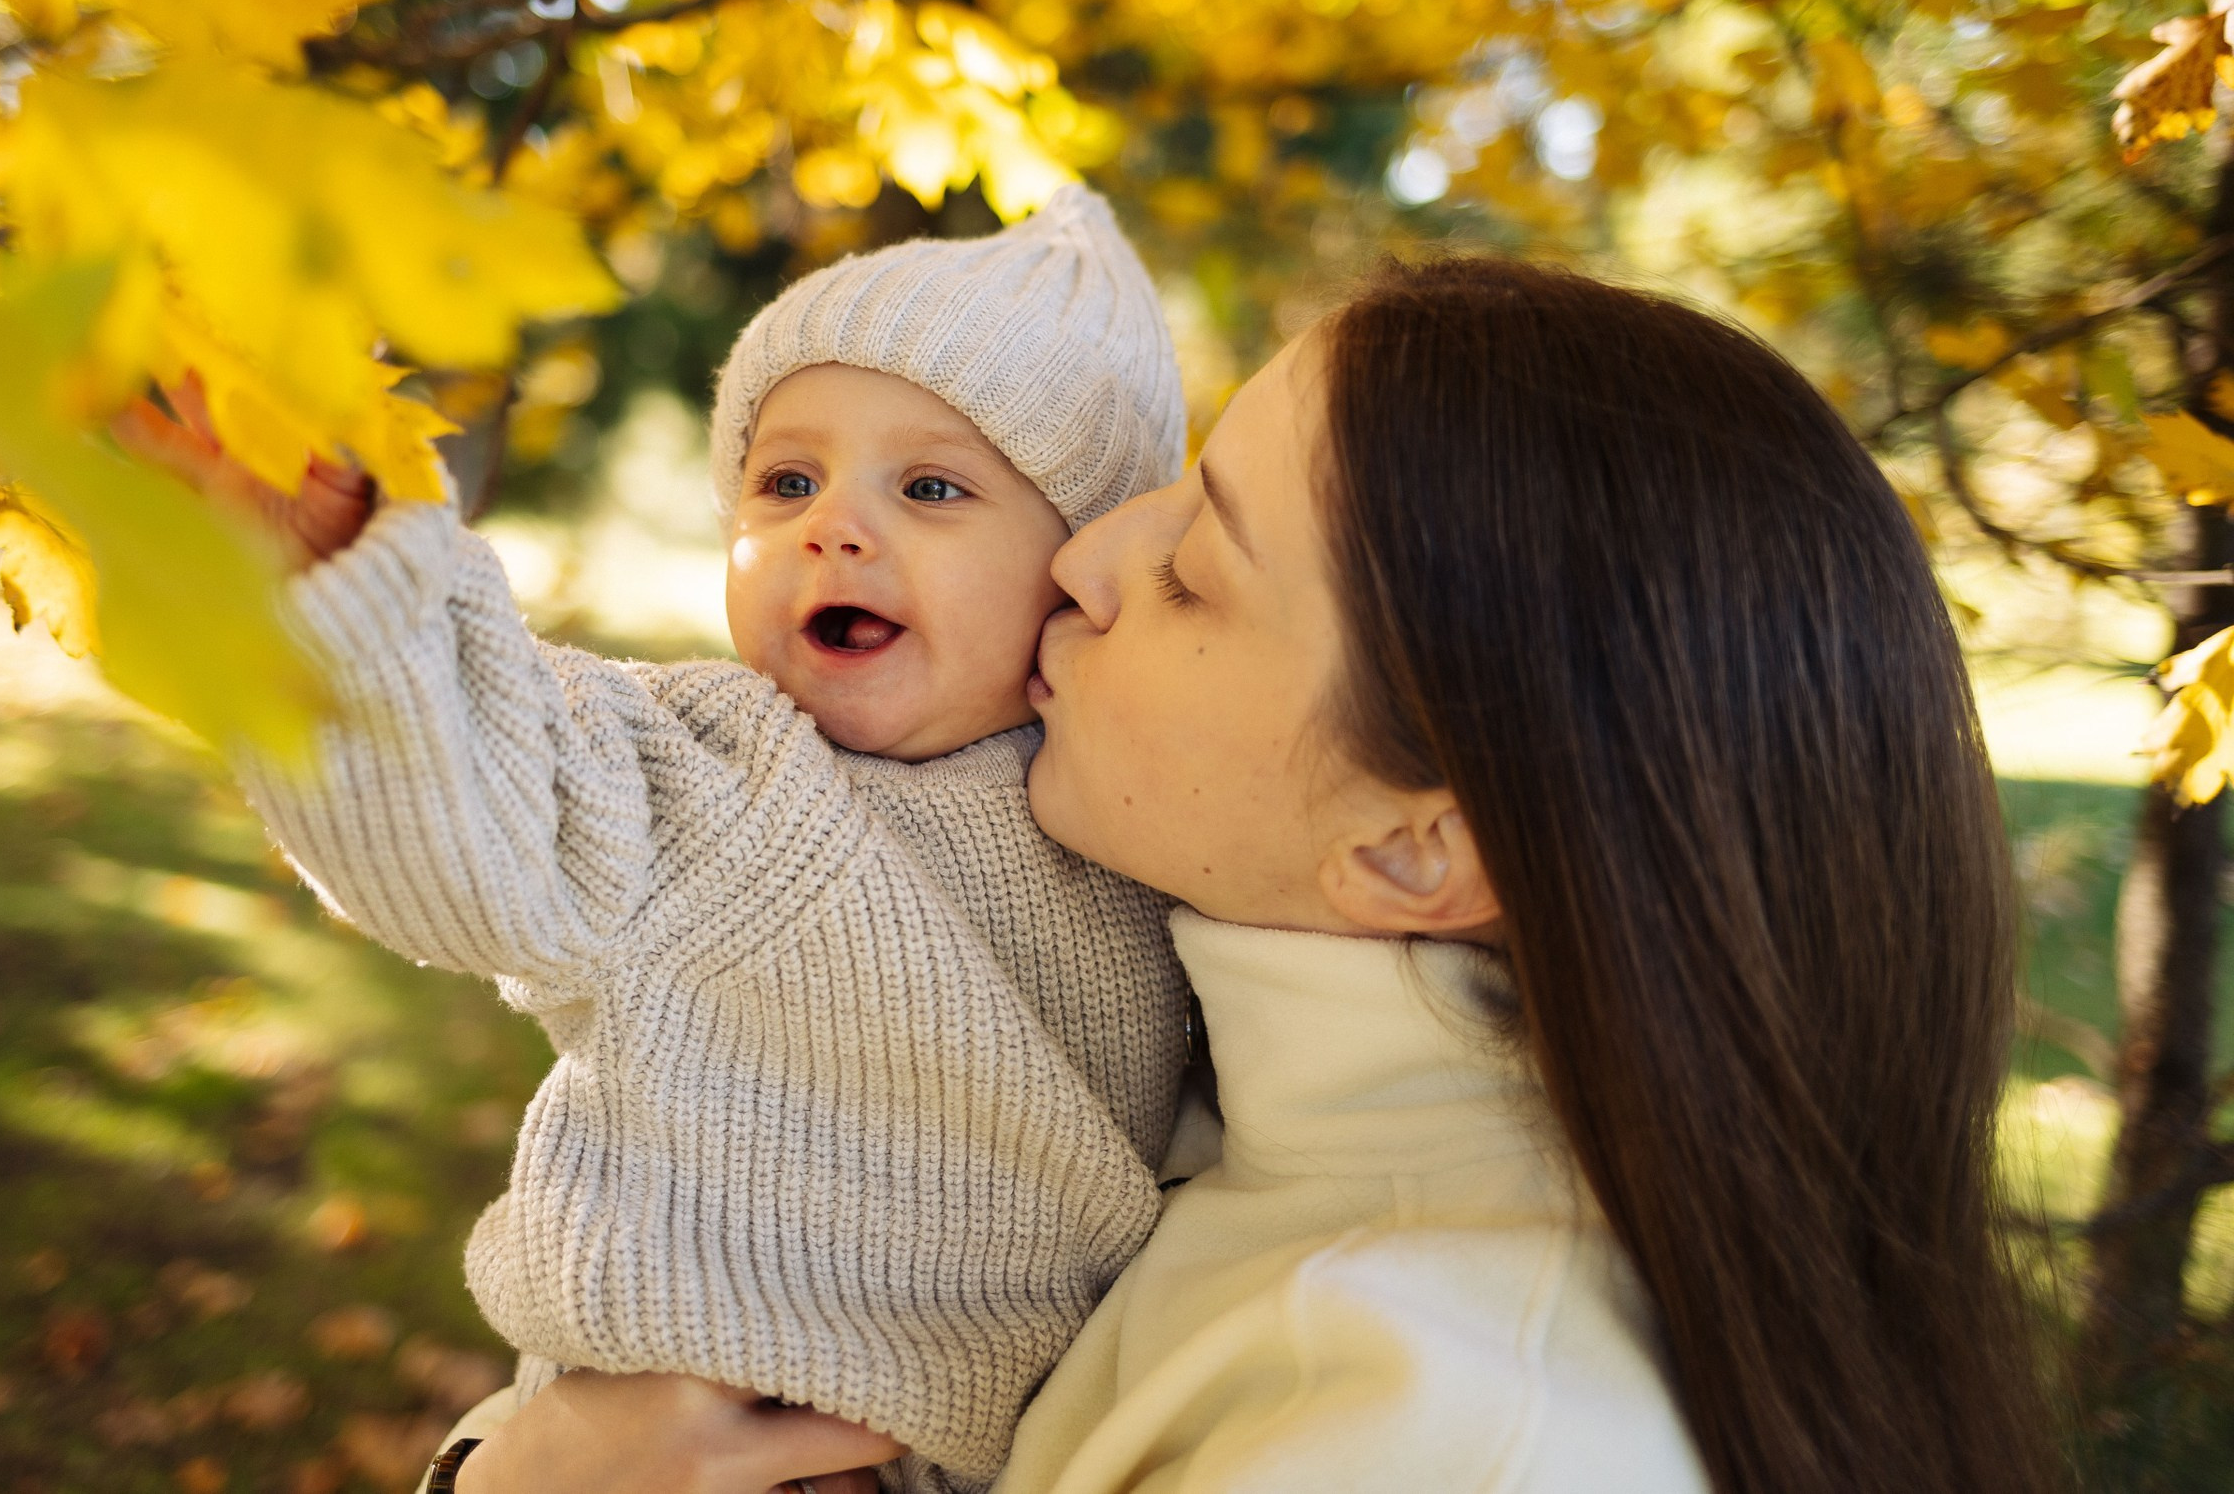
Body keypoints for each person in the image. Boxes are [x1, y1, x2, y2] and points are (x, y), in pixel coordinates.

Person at [451, 254, 2062, 1494]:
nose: (1084, 557)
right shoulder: (1199, 1078)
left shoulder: (1432, 1430)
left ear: (1416, 844)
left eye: (1200, 566)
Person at [118, 186, 1196, 1494]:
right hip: (682, 1426)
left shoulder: (1146, 821)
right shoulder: (706, 767)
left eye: (930, 487)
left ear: (1078, 564)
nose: (833, 525)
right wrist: (346, 587)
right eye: (786, 479)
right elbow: (466, 807)